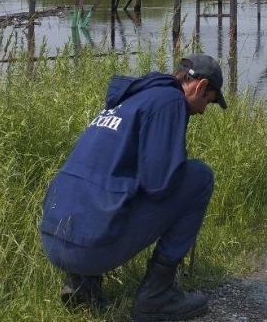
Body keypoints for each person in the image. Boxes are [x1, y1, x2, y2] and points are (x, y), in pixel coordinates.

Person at [39, 54, 227, 322]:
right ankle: (157, 296)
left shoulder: (132, 97)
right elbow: (159, 185)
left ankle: (83, 285)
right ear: (200, 85)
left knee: (103, 185)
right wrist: (176, 161)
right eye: (206, 101)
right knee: (199, 177)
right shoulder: (170, 101)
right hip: (89, 249)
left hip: (53, 239)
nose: (201, 111)